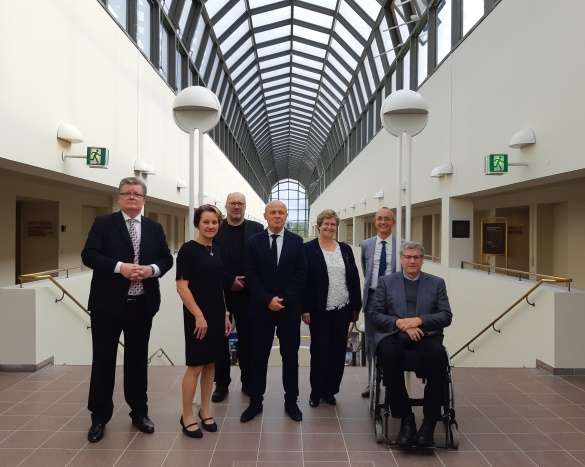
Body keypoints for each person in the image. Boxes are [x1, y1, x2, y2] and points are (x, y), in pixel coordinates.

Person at [81, 177, 173, 443]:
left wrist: (151, 270)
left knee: (137, 361)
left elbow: (166, 259)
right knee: (103, 362)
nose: (132, 197)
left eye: (137, 194)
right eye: (127, 193)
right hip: (107, 306)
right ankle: (99, 417)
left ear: (145, 200)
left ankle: (139, 413)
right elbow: (89, 255)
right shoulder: (104, 223)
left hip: (141, 305)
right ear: (119, 198)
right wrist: (119, 267)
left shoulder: (154, 228)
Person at [370, 241, 453, 448]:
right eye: (408, 257)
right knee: (388, 355)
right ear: (401, 259)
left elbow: (446, 315)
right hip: (394, 335)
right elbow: (375, 314)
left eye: (416, 257)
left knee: (439, 356)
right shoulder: (386, 282)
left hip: (426, 336)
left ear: (422, 260)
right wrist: (400, 323)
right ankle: (406, 418)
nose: (412, 261)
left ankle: (429, 423)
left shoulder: (436, 283)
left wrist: (419, 321)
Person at [240, 201, 308, 423]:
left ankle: (291, 403)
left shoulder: (297, 242)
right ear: (265, 216)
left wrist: (283, 299)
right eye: (273, 212)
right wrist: (267, 299)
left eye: (281, 212)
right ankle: (255, 403)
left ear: (286, 216)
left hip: (288, 311)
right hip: (261, 309)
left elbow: (301, 274)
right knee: (258, 357)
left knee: (290, 358)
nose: (277, 216)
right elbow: (250, 274)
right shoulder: (253, 242)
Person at [176, 204, 233, 438]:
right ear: (197, 224)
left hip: (217, 312)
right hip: (196, 314)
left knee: (212, 363)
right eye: (206, 222)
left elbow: (218, 284)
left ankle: (205, 410)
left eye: (215, 222)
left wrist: (226, 314)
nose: (211, 226)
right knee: (197, 364)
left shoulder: (215, 249)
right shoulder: (189, 250)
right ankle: (187, 414)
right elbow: (181, 286)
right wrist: (198, 315)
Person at [302, 209, 362, 407]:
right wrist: (305, 308)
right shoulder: (308, 249)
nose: (329, 227)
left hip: (342, 308)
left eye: (333, 224)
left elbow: (353, 278)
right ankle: (316, 392)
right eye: (325, 223)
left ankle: (330, 390)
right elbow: (303, 282)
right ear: (319, 225)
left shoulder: (345, 249)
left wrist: (355, 306)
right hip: (319, 309)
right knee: (319, 351)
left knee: (337, 352)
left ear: (337, 227)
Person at [211, 192, 263, 402]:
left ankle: (248, 382)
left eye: (240, 203)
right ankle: (221, 384)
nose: (236, 207)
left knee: (248, 339)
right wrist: (229, 279)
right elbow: (211, 260)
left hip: (249, 293)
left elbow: (261, 260)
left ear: (245, 206)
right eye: (232, 203)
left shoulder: (256, 229)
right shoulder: (216, 228)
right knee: (220, 339)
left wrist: (246, 280)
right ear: (226, 206)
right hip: (221, 292)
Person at [360, 207, 401, 398]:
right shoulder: (366, 244)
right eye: (379, 219)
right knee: (370, 342)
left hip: (394, 301)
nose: (383, 222)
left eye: (387, 219)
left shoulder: (402, 244)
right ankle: (371, 382)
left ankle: (393, 382)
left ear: (393, 222)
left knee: (394, 341)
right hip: (372, 298)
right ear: (375, 222)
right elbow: (366, 270)